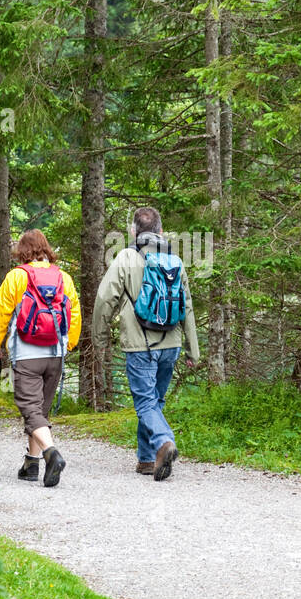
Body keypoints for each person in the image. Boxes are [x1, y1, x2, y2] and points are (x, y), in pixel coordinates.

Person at [92, 205, 199, 481]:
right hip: (171, 344)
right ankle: (147, 459)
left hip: (141, 345)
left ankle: (164, 441)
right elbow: (186, 305)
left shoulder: (126, 257)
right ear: (161, 231)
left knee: (145, 403)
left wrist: (99, 339)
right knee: (155, 401)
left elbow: (105, 300)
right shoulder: (174, 259)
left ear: (132, 231)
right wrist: (192, 349)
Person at [0, 229, 81, 487]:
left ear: (22, 252)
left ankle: (52, 454)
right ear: (46, 249)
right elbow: (74, 314)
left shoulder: (17, 277)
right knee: (40, 410)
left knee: (30, 409)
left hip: (26, 354)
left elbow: (0, 313)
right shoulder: (64, 277)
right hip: (56, 353)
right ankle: (31, 463)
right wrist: (68, 343)